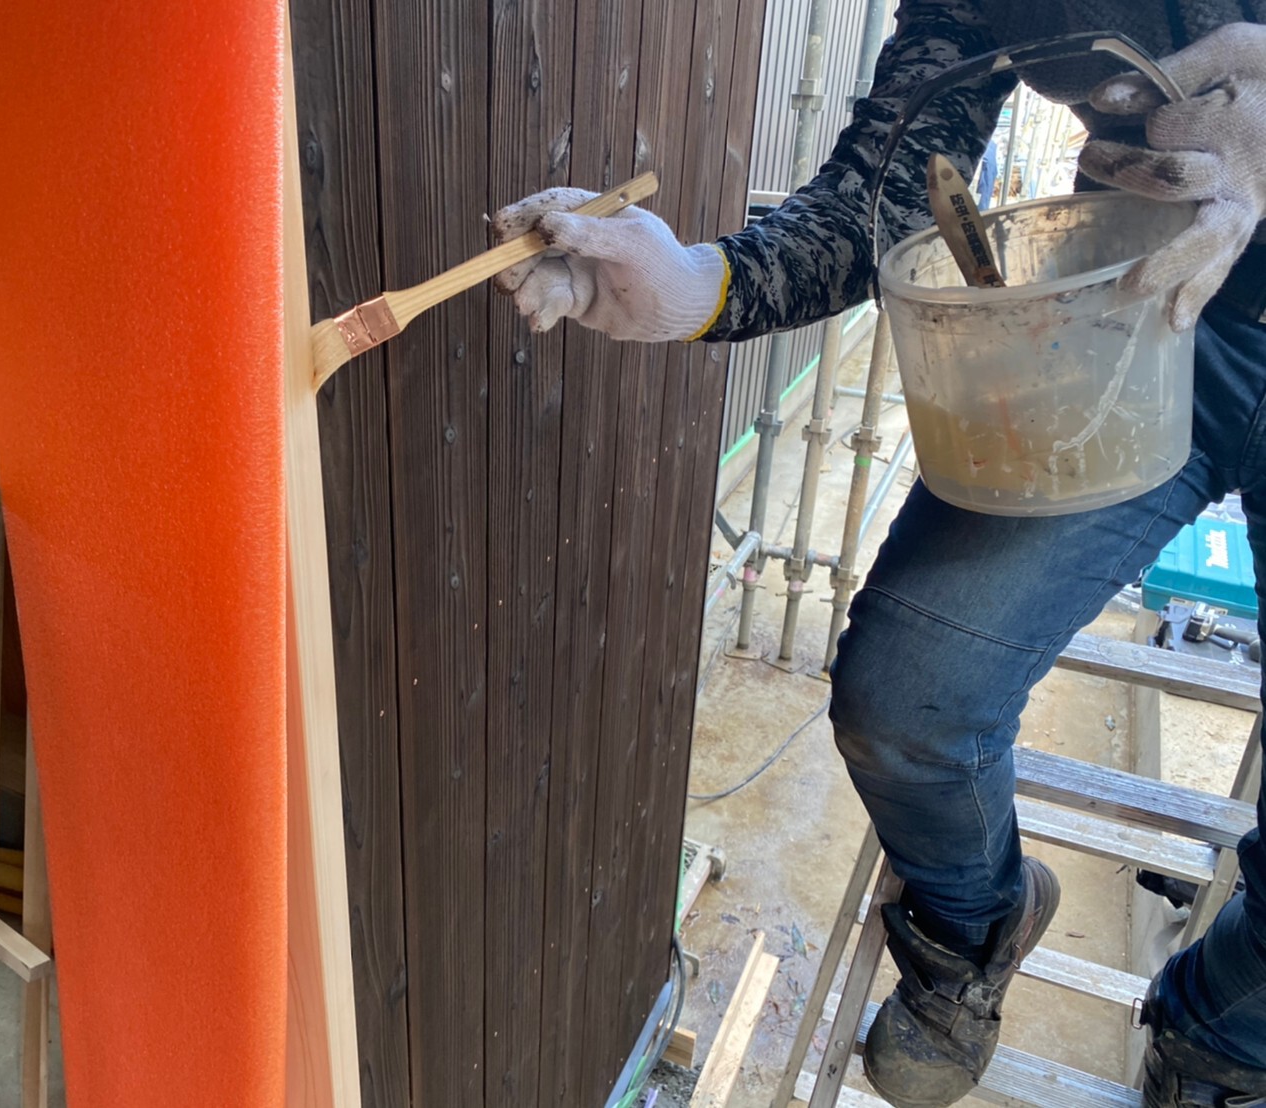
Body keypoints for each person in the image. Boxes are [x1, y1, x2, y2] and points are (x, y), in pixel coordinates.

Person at [490, 6, 1266, 1107]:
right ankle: (974, 928)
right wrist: (700, 285)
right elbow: (892, 187)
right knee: (908, 692)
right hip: (1136, 302)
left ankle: (1221, 1033)